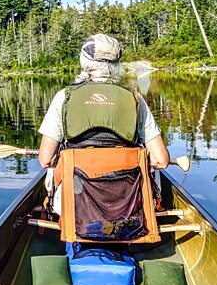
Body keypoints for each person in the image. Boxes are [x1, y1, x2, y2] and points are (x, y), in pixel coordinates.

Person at [37, 33, 170, 214]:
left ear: (84, 61)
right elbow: (161, 161)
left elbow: (45, 160)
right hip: (128, 203)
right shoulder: (135, 98)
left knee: (52, 167)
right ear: (116, 65)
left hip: (76, 206)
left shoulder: (64, 97)